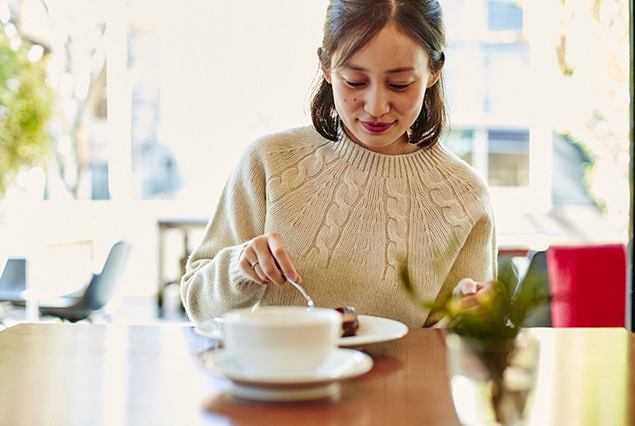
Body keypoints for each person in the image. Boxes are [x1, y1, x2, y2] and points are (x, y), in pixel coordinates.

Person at [180, 0, 497, 328]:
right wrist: (240, 268)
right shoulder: (269, 162)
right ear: (326, 67)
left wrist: (468, 317)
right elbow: (198, 306)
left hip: (403, 380)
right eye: (355, 82)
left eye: (399, 84)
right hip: (278, 377)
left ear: (434, 71)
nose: (375, 106)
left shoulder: (465, 195)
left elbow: (459, 348)